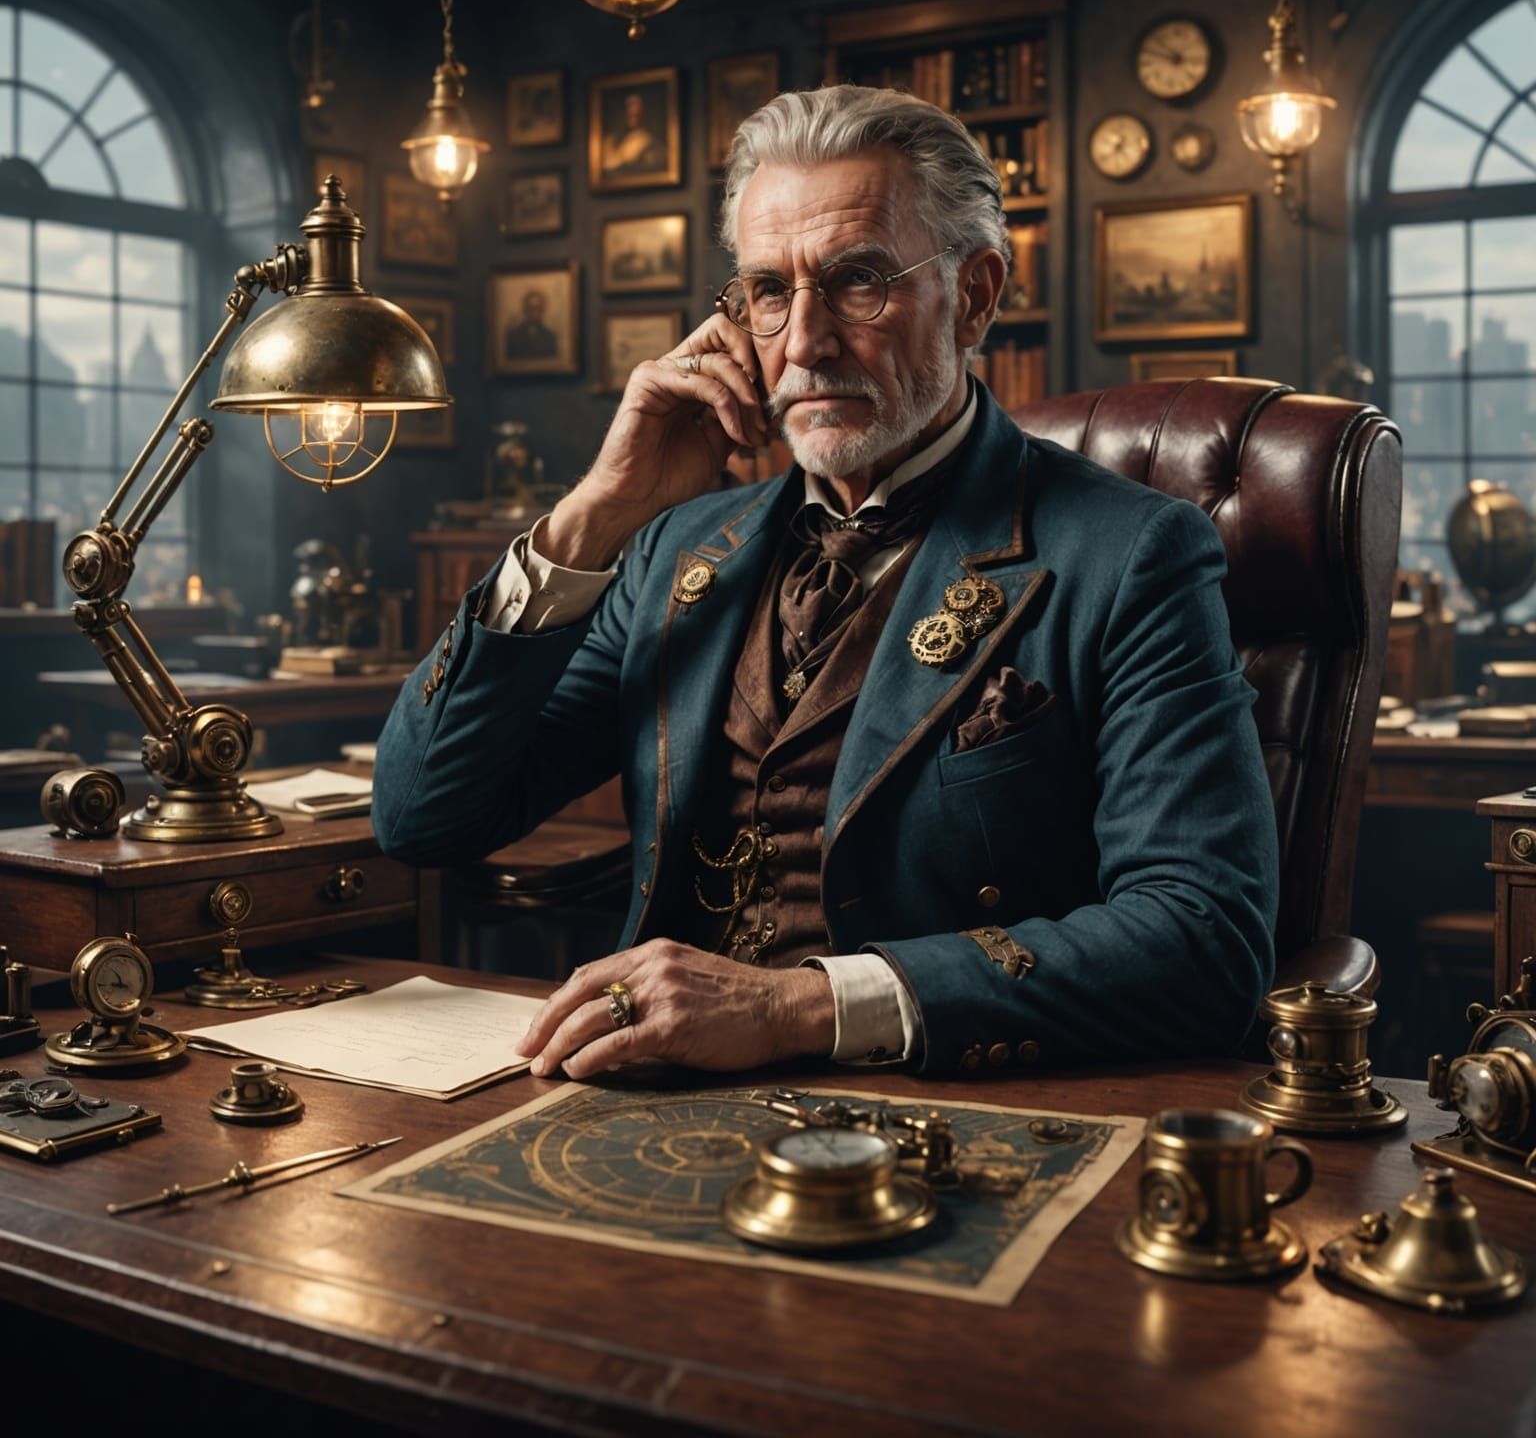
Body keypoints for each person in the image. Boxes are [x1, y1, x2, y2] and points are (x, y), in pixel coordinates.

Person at [374, 85, 1278, 1082]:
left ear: (975, 294)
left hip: (949, 1121)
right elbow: (425, 817)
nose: (802, 342)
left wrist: (796, 1005)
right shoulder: (674, 549)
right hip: (640, 1108)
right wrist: (597, 511)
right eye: (769, 290)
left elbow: (1203, 939)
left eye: (857, 281)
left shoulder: (1136, 552)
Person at [601, 90, 662, 176]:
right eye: (629, 110)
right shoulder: (609, 140)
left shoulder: (647, 140)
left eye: (637, 114)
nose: (633, 114)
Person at [503, 289, 558, 364]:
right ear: (525, 309)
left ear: (542, 310)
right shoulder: (513, 336)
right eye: (531, 308)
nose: (534, 312)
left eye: (538, 308)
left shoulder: (550, 337)